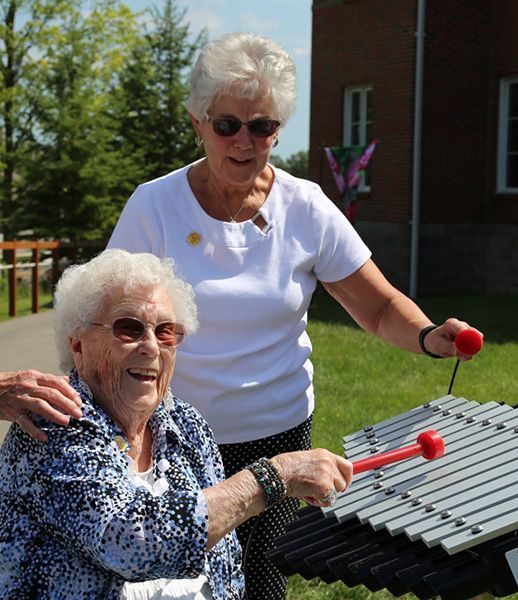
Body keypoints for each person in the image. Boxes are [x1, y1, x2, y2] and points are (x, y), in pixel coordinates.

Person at [0, 32, 481, 599]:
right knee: (156, 573)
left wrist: (428, 335)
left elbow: (375, 304)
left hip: (277, 433)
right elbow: (98, 314)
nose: (245, 140)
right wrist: (62, 409)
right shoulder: (154, 205)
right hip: (169, 441)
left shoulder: (305, 206)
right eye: (227, 124)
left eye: (264, 126)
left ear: (280, 129)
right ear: (198, 122)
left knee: (251, 582)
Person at [0, 249, 353, 599]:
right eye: (129, 328)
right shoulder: (55, 420)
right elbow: (134, 542)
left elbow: (224, 563)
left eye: (166, 332)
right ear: (78, 344)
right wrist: (275, 476)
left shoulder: (186, 424)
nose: (151, 347)